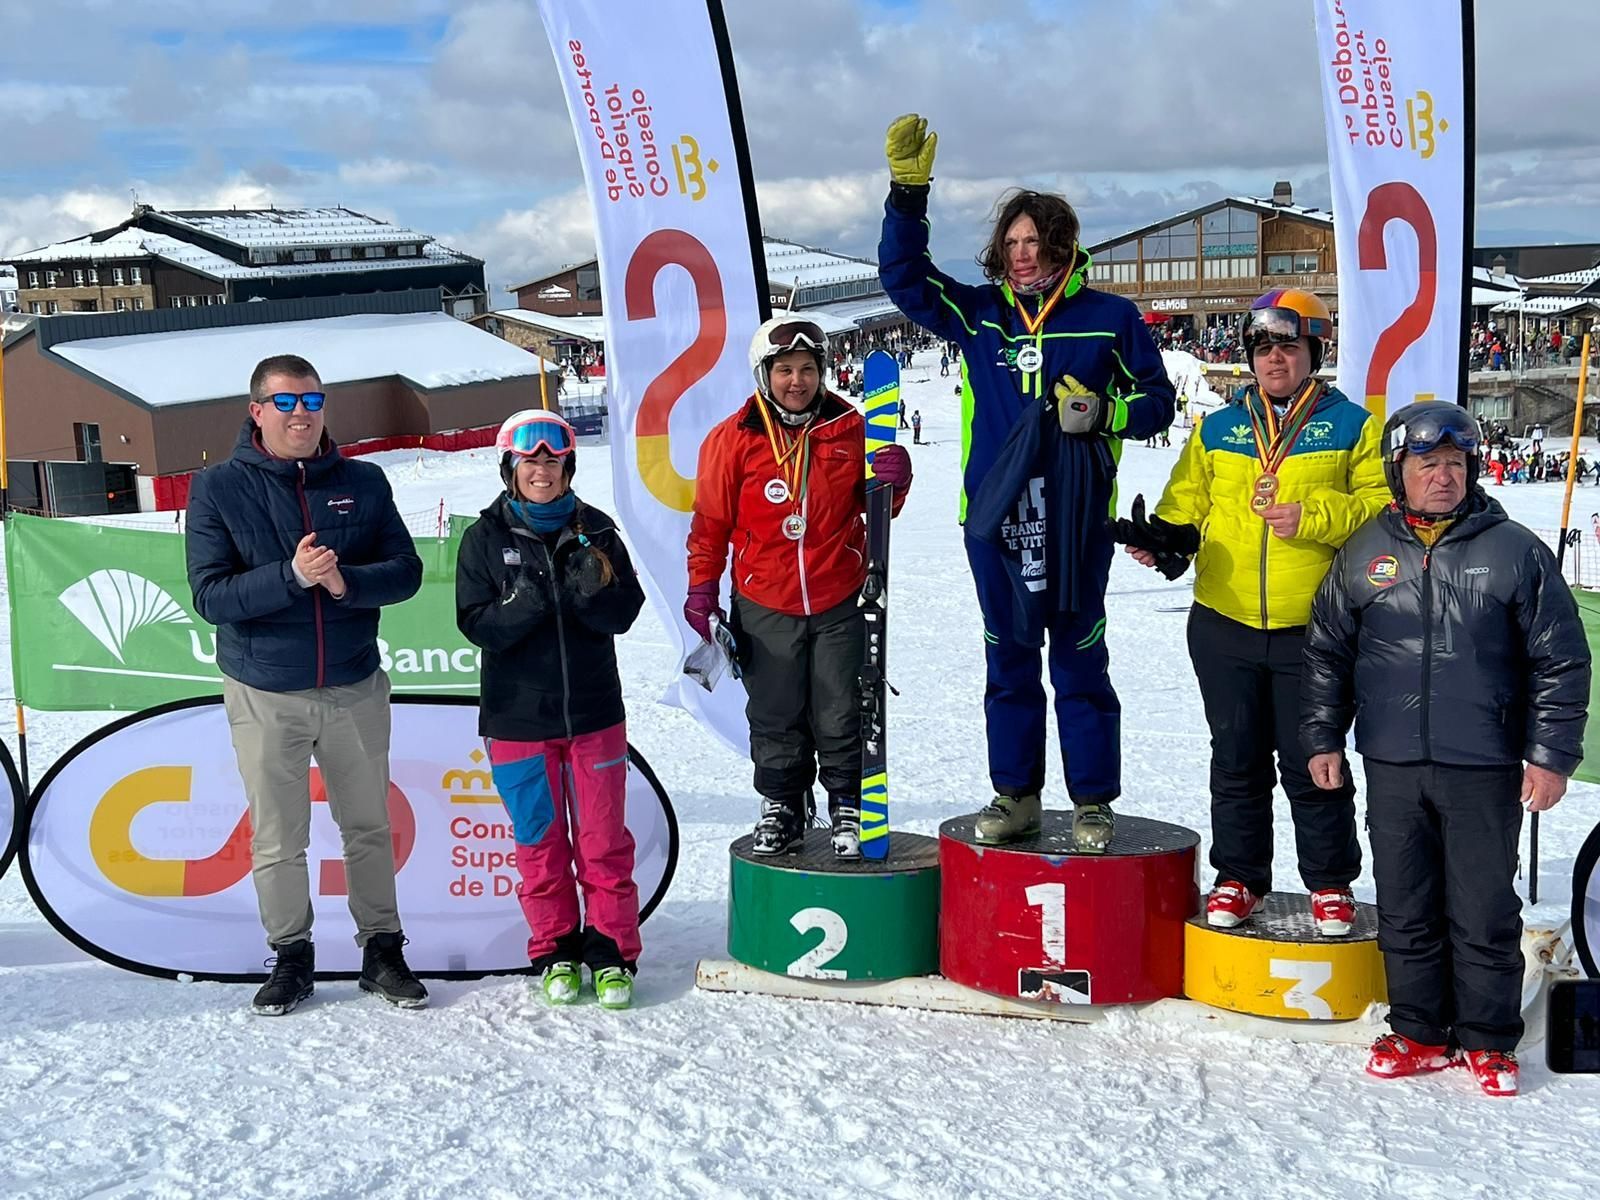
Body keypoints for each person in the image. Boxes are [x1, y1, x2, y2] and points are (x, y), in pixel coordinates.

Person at [878, 113, 1174, 852]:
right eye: (1010, 244)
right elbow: (904, 280)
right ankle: (1015, 796)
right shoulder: (979, 317)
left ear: (1063, 246)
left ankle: (1093, 804)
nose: (1020, 256)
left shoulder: (1109, 318)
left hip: (1077, 522)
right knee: (1008, 657)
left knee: (1080, 658)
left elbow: (1159, 400)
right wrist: (907, 198)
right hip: (999, 521)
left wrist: (1106, 411)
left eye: (1033, 242)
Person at [1301, 401, 1590, 1097]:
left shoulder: (1514, 551)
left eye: (1455, 464)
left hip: (1483, 763)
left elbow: (1562, 660)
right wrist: (1321, 736)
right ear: (1398, 471)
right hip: (1393, 761)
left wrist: (1551, 755)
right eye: (1427, 464)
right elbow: (1326, 654)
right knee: (1406, 903)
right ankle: (1420, 1029)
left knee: (1484, 906)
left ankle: (1489, 1040)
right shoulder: (1365, 551)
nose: (1443, 476)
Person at [1113, 289, 1386, 933]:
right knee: (1235, 756)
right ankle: (1239, 876)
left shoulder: (1353, 425)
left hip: (1312, 628)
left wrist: (1312, 516)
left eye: (1288, 345)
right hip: (1223, 620)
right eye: (1263, 346)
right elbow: (1186, 503)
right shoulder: (1220, 427)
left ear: (1312, 351)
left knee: (1312, 759)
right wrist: (1168, 541)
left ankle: (1329, 883)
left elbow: (1381, 509)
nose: (1274, 358)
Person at [186, 354, 426, 1016]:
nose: (302, 415)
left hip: (353, 686)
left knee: (369, 826)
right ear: (256, 410)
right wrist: (290, 576)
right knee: (277, 837)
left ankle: (383, 951)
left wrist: (346, 582)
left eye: (313, 402)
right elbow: (211, 595)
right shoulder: (217, 487)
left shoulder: (365, 481)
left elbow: (406, 570)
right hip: (266, 693)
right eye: (286, 403)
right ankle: (292, 956)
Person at [686, 317, 913, 858]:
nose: (798, 380)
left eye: (808, 369)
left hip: (840, 594)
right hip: (765, 600)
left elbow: (878, 511)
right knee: (774, 710)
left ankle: (848, 804)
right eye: (785, 369)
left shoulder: (848, 427)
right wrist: (701, 590)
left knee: (840, 707)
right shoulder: (731, 438)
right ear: (765, 374)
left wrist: (896, 482)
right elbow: (710, 524)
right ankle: (783, 806)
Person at [455, 409, 647, 1009]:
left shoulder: (596, 529)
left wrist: (593, 594)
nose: (542, 469)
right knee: (539, 841)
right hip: (518, 721)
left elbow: (624, 610)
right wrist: (524, 605)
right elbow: (476, 624)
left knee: (603, 841)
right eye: (529, 460)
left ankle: (612, 952)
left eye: (552, 459)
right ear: (510, 468)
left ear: (568, 464)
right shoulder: (484, 538)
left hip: (593, 715)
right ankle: (556, 949)